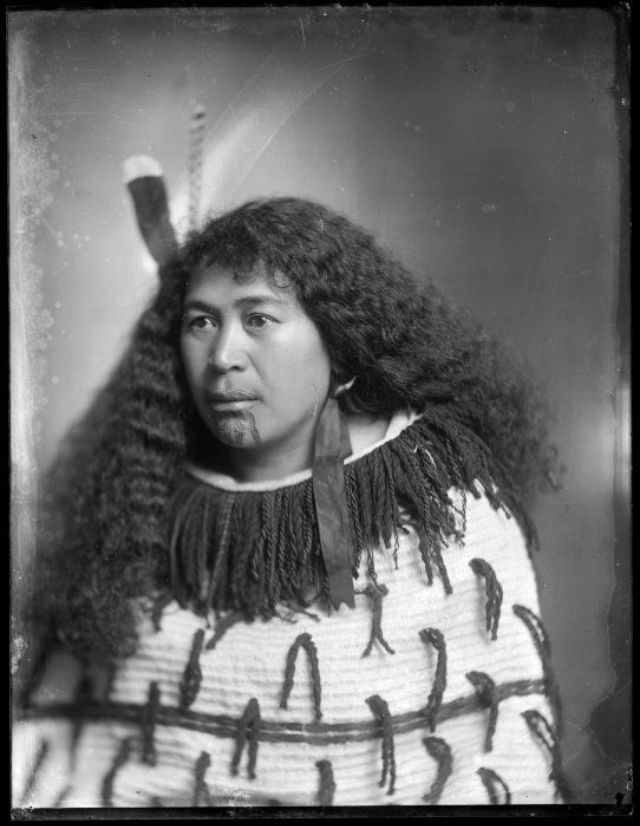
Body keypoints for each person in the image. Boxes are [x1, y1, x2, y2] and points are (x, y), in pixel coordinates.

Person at [12, 189, 567, 807]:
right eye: (202, 322)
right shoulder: (138, 512)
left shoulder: (443, 509)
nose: (223, 357)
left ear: (342, 347)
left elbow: (499, 756)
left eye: (258, 319)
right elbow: (66, 755)